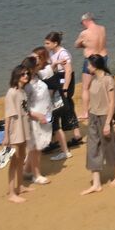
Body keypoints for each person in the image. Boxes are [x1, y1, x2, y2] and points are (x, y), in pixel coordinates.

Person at [81, 54, 115, 195]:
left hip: (105, 116)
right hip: (94, 116)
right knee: (92, 147)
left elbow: (112, 102)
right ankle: (96, 183)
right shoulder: (94, 79)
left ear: (95, 66)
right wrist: (87, 113)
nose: (87, 67)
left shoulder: (108, 80)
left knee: (109, 147)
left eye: (89, 65)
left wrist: (107, 123)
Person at [42, 32, 82, 160]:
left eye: (48, 43)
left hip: (64, 81)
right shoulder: (53, 53)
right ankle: (63, 136)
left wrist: (65, 89)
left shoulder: (63, 53)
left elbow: (68, 71)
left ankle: (74, 135)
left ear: (55, 43)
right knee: (62, 107)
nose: (45, 45)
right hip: (58, 80)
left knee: (65, 106)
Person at [21, 55, 53, 187]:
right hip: (34, 119)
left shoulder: (37, 76)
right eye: (38, 63)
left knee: (36, 147)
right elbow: (23, 107)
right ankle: (37, 175)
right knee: (36, 148)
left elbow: (49, 67)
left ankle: (27, 170)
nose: (41, 64)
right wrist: (37, 115)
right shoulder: (26, 84)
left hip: (43, 116)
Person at [3, 65, 33, 203]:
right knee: (14, 162)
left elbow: (25, 111)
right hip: (15, 130)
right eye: (22, 74)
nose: (26, 76)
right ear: (16, 76)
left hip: (24, 128)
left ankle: (20, 186)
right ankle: (11, 193)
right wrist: (6, 136)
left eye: (27, 73)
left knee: (21, 159)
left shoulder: (22, 91)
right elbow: (8, 115)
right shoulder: (12, 92)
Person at [75, 13, 107, 116]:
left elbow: (76, 44)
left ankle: (85, 112)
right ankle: (103, 106)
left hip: (91, 59)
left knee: (85, 87)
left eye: (82, 23)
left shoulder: (85, 33)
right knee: (101, 83)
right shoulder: (102, 28)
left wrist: (84, 44)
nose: (82, 25)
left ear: (85, 21)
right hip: (103, 57)